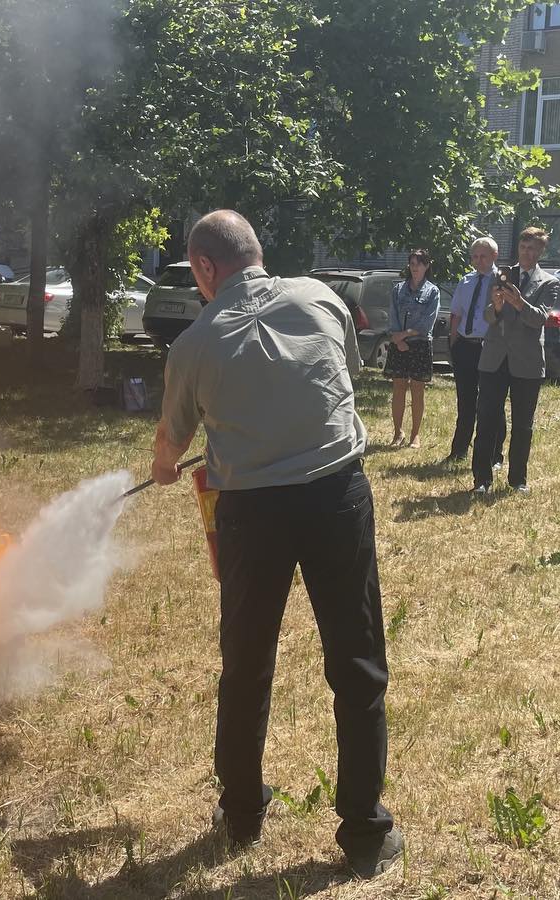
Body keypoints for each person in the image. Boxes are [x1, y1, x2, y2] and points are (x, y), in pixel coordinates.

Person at [151, 210, 402, 877]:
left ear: (206, 267)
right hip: (337, 498)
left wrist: (164, 465)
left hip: (252, 515)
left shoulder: (194, 344)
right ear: (257, 253)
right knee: (357, 661)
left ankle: (240, 814)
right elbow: (340, 376)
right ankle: (366, 832)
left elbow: (172, 442)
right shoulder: (322, 297)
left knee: (246, 663)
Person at [472, 228, 555, 493]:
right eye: (523, 247)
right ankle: (481, 480)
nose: (526, 253)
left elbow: (539, 319)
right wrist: (496, 307)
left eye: (532, 249)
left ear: (541, 251)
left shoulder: (549, 282)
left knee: (522, 425)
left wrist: (519, 303)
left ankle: (518, 480)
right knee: (486, 420)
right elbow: (487, 317)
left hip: (527, 363)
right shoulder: (501, 276)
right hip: (494, 358)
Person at [447, 237, 500, 463]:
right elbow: (456, 313)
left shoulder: (501, 281)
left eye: (483, 256)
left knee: (491, 403)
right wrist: (454, 342)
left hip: (489, 347)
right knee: (465, 401)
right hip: (465, 345)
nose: (479, 261)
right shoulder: (466, 281)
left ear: (494, 256)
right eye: (475, 257)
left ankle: (494, 454)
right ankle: (459, 450)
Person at [386, 250, 441, 448]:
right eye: (412, 264)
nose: (415, 268)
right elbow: (392, 315)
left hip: (420, 344)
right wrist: (397, 338)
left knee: (418, 390)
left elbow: (427, 323)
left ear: (427, 266)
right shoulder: (398, 289)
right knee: (398, 388)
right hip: (398, 344)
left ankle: (415, 435)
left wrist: (405, 334)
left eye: (419, 264)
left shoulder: (432, 291)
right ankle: (397, 433)